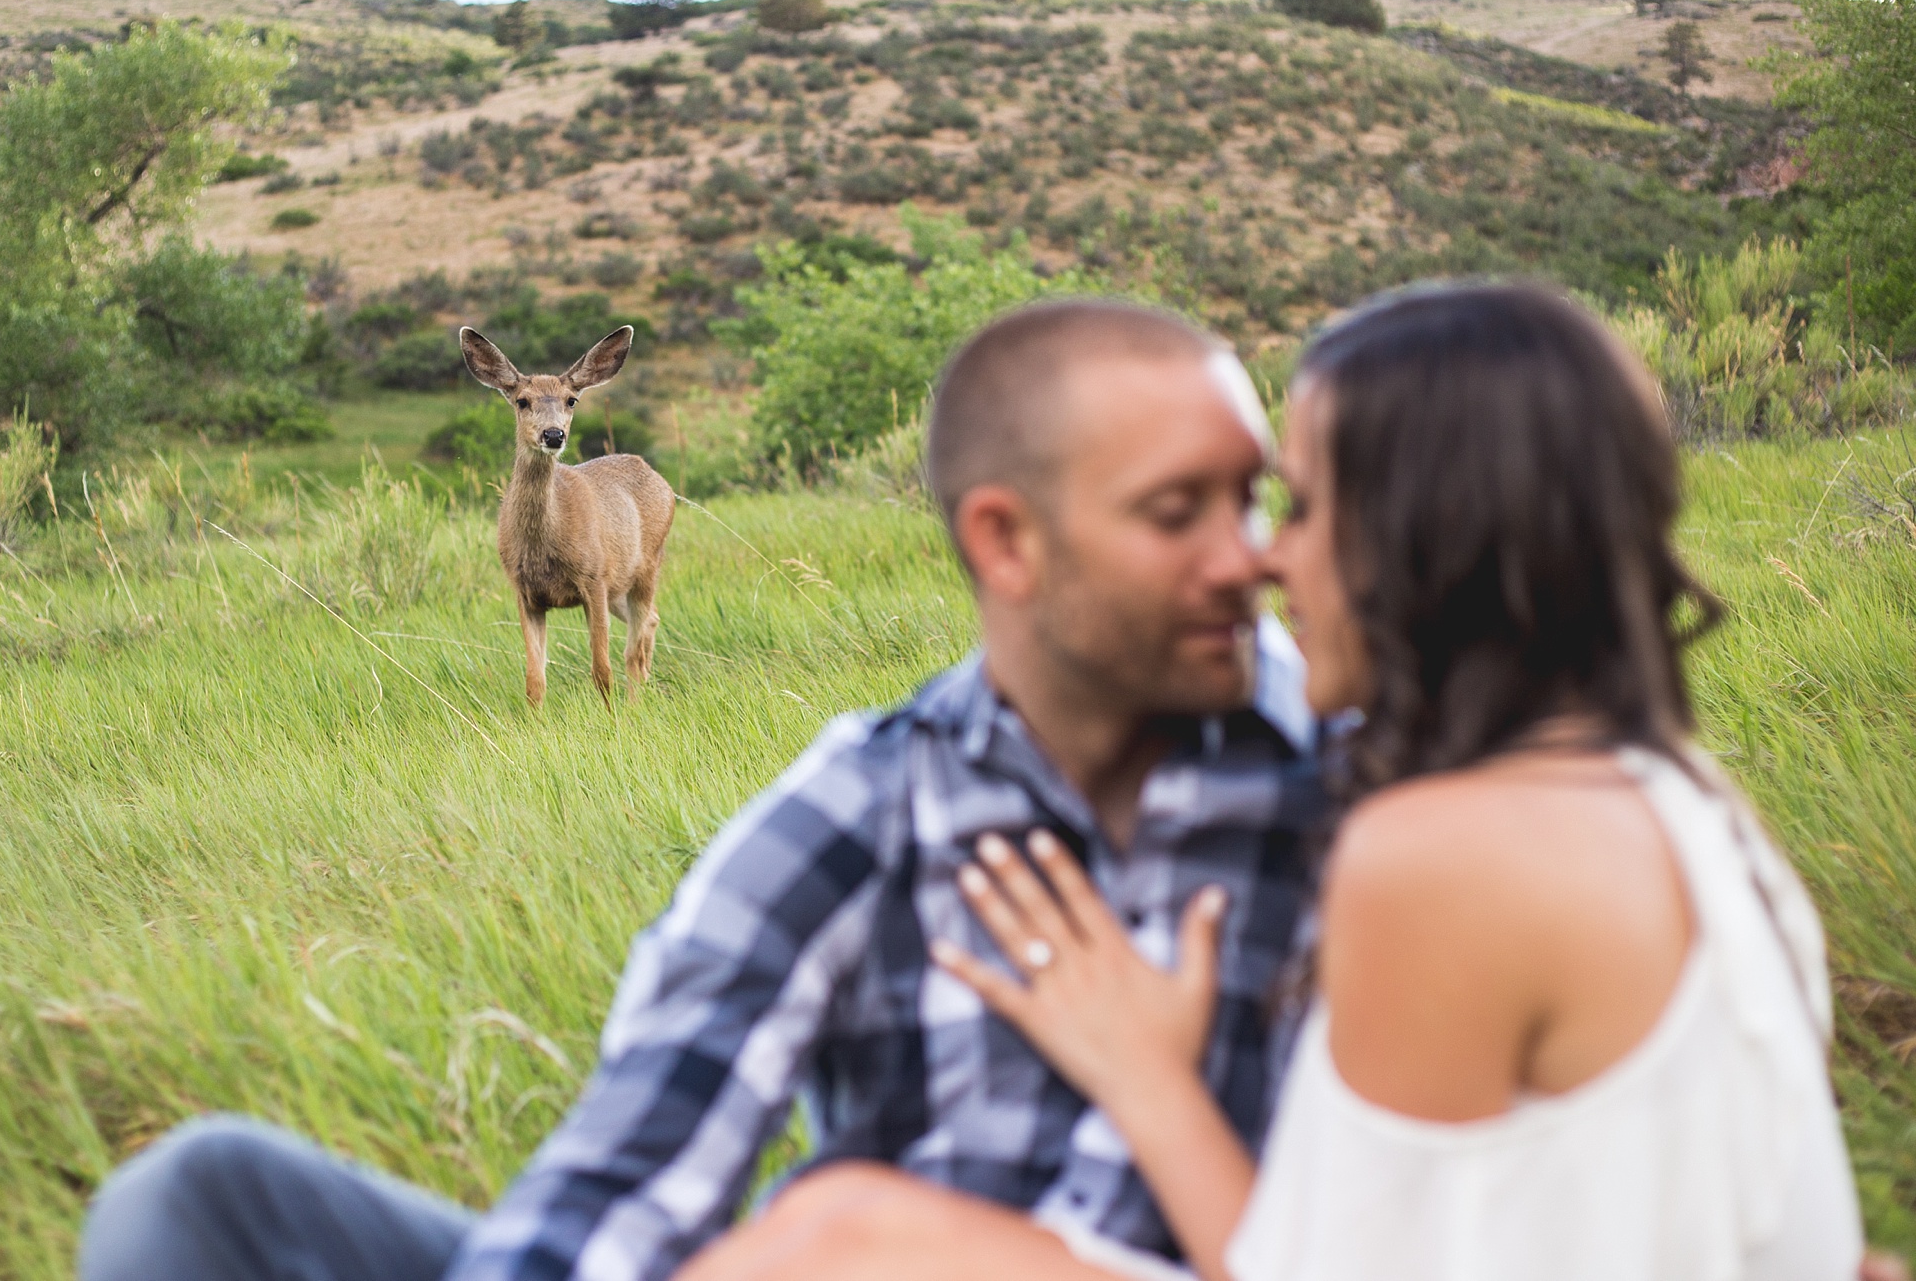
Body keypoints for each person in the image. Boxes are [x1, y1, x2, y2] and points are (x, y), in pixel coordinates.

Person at [76, 301, 1331, 1281]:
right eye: (1182, 512)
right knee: (197, 1197)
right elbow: (630, 1170)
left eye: (1259, 497)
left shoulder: (1352, 781)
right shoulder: (862, 804)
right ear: (1004, 541)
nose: (1255, 556)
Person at [677, 281, 1869, 1281]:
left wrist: (1146, 1080)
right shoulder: (1683, 800)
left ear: (1424, 533)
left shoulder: (1440, 854)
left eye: (1292, 504)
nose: (1261, 556)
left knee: (839, 1237)